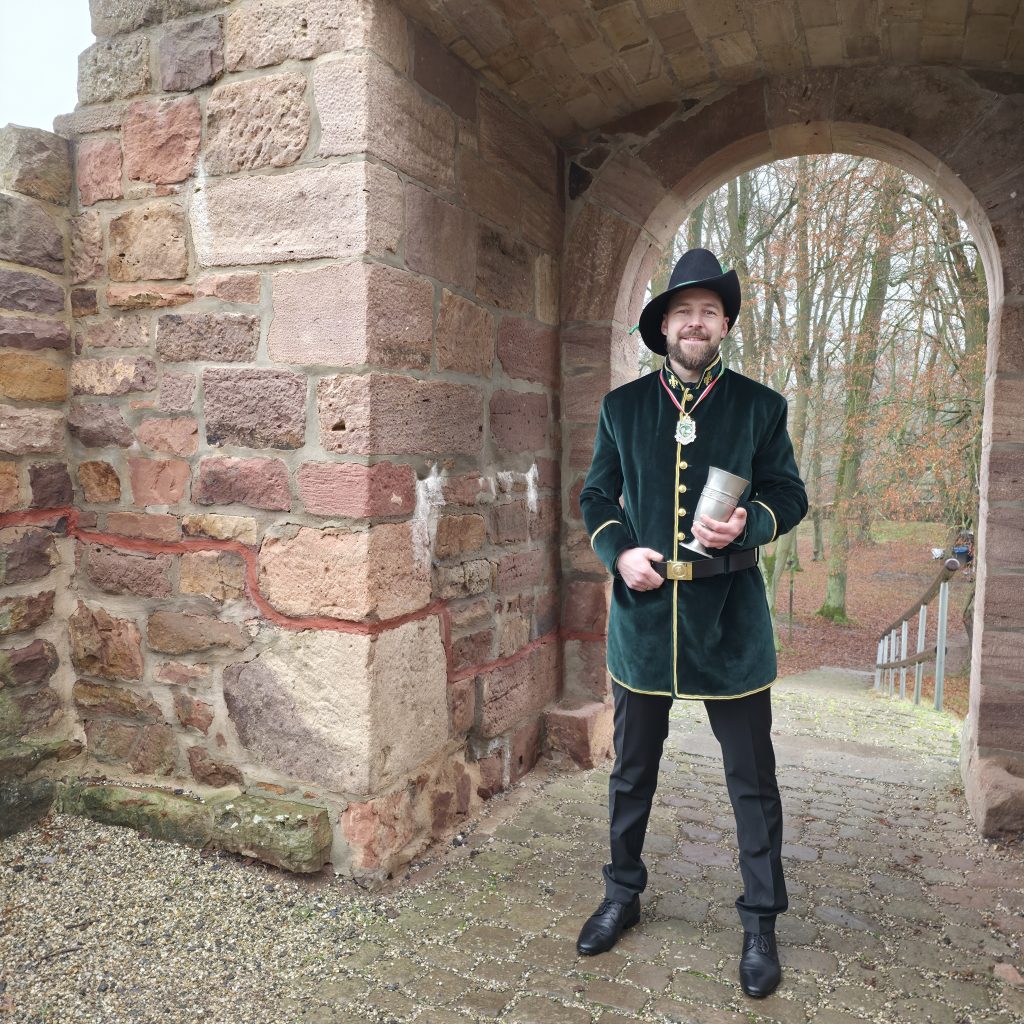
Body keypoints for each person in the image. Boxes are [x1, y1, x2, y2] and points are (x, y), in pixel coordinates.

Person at [576, 248, 808, 999]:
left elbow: (789, 494)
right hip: (644, 620)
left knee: (752, 780)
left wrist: (749, 523)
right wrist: (618, 553)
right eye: (684, 312)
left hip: (731, 620)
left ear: (725, 325)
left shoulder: (761, 407)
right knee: (631, 772)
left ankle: (760, 920)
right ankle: (622, 893)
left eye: (709, 311)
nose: (696, 323)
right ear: (664, 327)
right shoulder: (622, 409)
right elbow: (596, 497)